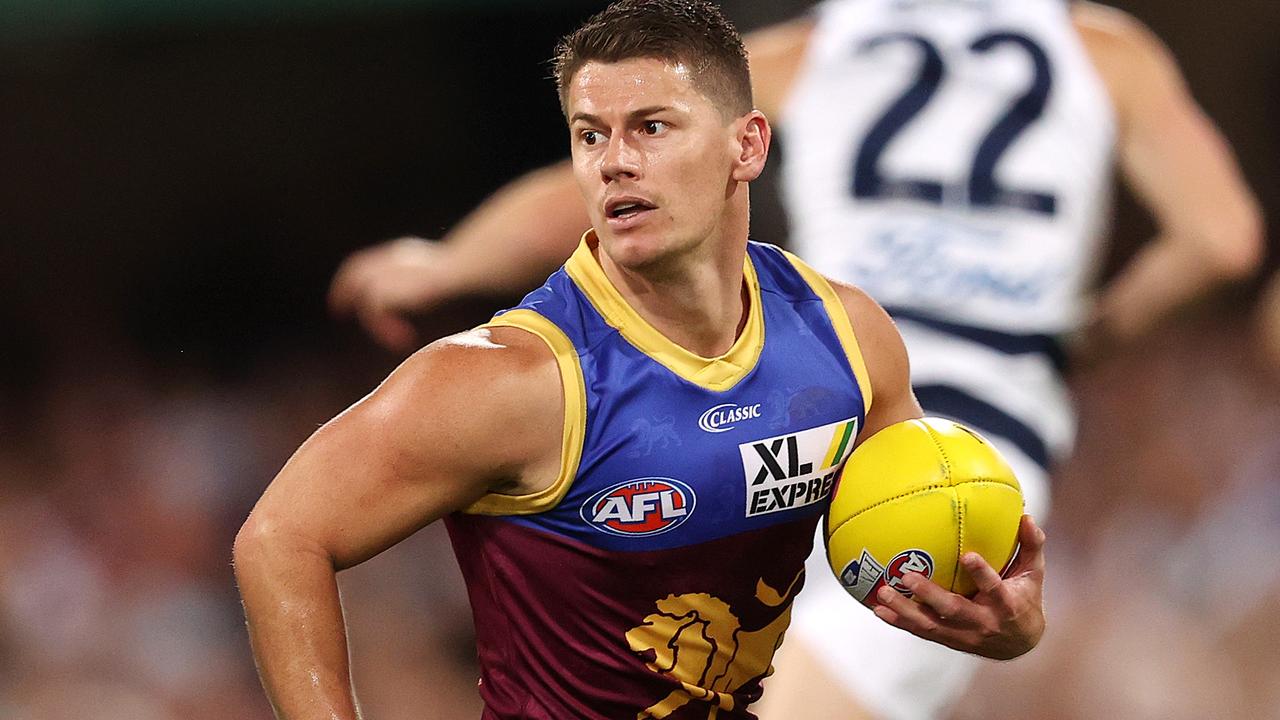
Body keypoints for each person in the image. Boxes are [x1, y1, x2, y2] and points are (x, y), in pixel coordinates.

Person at [327, 1, 1262, 718]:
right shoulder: (1099, 51)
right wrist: (1092, 333)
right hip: (961, 452)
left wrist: (445, 258)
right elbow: (1220, 238)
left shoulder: (814, 52)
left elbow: (593, 182)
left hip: (805, 418)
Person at [234, 2, 1048, 718]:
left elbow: (915, 535)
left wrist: (1007, 626)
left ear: (748, 146)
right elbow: (279, 540)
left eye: (651, 128)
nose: (614, 160)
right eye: (591, 136)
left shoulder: (849, 338)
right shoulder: (514, 380)